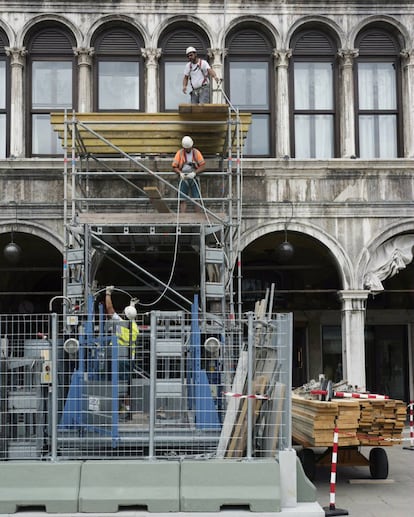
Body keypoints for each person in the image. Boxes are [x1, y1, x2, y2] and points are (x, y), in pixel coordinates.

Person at [105, 286, 139, 416]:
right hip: (129, 359)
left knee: (116, 383)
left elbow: (109, 309)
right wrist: (132, 306)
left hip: (118, 357)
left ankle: (114, 410)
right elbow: (132, 316)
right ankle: (127, 409)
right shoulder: (135, 326)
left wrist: (108, 294)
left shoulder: (120, 323)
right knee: (127, 384)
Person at [172, 135, 206, 213]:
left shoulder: (196, 153)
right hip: (184, 178)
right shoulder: (180, 153)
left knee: (197, 198)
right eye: (186, 148)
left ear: (191, 146)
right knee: (182, 199)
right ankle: (183, 219)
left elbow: (203, 166)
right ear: (183, 147)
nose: (188, 149)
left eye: (189, 148)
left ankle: (198, 220)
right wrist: (180, 173)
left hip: (194, 178)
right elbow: (174, 166)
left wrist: (194, 173)